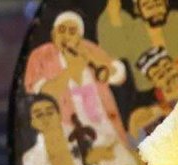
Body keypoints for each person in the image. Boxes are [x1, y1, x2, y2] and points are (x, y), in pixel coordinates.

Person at [25, 11, 129, 145]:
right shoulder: (41, 55)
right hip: (71, 135)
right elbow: (44, 93)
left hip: (107, 128)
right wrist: (71, 69)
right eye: (61, 30)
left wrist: (91, 58)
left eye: (72, 32)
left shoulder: (88, 49)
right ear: (53, 33)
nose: (66, 36)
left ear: (79, 37)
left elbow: (117, 76)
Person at [97, 0, 178, 92]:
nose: (156, 10)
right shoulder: (131, 31)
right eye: (148, 6)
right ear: (138, 9)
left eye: (159, 4)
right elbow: (114, 51)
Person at [127, 47, 178, 142]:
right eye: (160, 76)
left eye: (169, 69)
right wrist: (162, 110)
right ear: (154, 82)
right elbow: (134, 125)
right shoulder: (146, 100)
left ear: (176, 66)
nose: (168, 76)